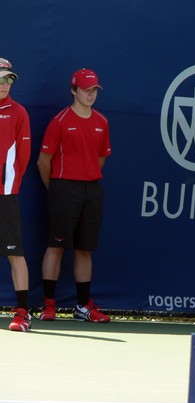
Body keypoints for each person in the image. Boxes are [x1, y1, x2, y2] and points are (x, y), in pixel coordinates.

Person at [37, 68, 111, 323]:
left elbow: (100, 159)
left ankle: (82, 307)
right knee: (56, 247)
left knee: (84, 249)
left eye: (94, 91)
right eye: (86, 90)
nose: (90, 95)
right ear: (73, 90)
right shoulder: (59, 121)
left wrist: (85, 177)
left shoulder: (102, 122)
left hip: (92, 190)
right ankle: (48, 304)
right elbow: (43, 162)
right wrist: (56, 188)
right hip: (63, 189)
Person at [0, 58, 32, 332]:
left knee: (14, 253)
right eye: (1, 78)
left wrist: (9, 184)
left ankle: (22, 312)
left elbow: (23, 155)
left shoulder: (19, 112)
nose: (5, 84)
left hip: (5, 195)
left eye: (9, 79)